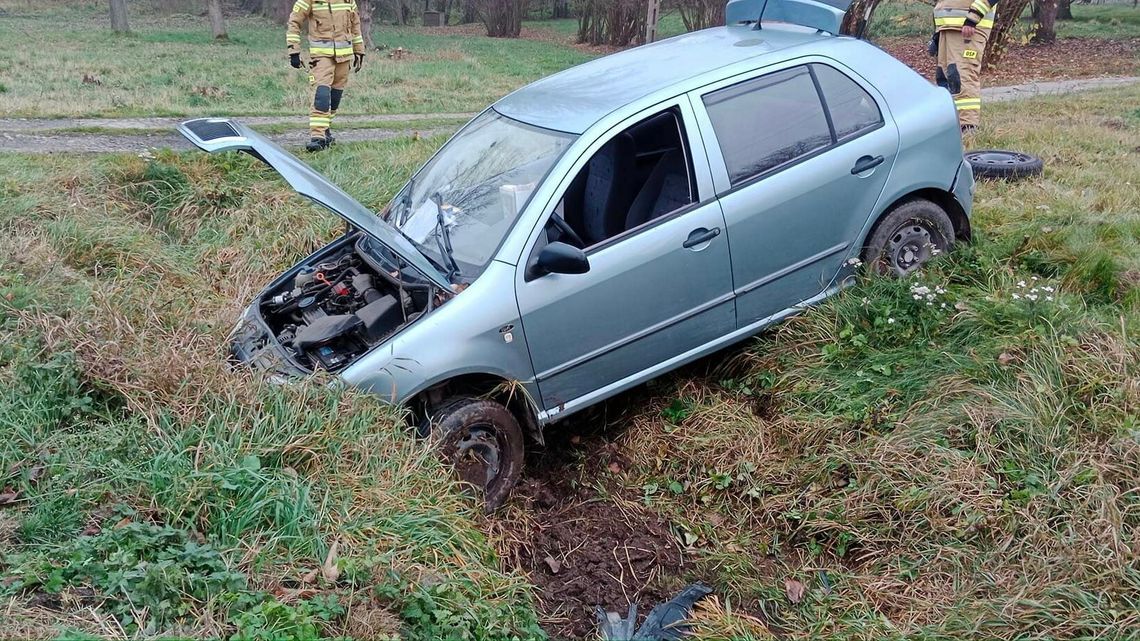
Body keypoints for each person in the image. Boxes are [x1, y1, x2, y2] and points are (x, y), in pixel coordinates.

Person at [286, 0, 366, 152]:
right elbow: (294, 21)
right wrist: (294, 51)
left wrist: (359, 50)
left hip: (344, 58)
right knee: (321, 95)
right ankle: (318, 137)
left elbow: (355, 25)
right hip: (321, 57)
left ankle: (325, 129)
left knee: (335, 98)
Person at [931, 0, 998, 134]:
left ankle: (968, 127)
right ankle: (950, 124)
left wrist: (973, 18)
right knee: (944, 77)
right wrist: (937, 34)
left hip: (969, 26)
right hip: (947, 27)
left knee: (962, 75)